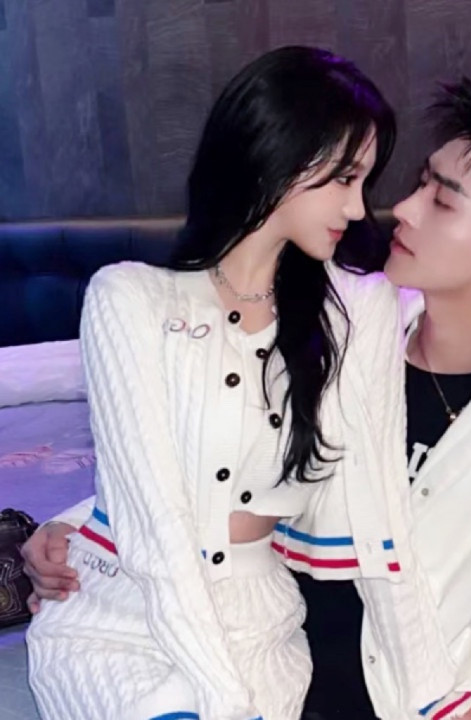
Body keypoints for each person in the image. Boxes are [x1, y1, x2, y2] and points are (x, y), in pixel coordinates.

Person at [24, 79, 471, 720]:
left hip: (413, 690)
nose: (401, 209)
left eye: (441, 200)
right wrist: (81, 531)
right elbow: (210, 450)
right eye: (419, 182)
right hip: (250, 659)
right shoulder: (344, 326)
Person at [23, 44, 402, 720]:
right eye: (344, 178)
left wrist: (430, 694)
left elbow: (376, 513)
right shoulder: (131, 299)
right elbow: (154, 511)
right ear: (276, 155)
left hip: (260, 624)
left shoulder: (356, 311)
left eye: (364, 182)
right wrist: (222, 699)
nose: (356, 208)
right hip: (119, 616)